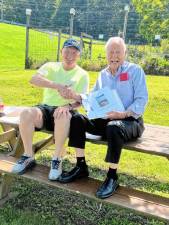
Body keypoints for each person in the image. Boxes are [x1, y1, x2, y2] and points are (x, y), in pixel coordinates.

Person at [57, 37, 148, 199]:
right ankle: (81, 166)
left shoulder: (135, 71)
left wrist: (123, 114)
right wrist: (75, 96)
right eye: (110, 52)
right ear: (106, 54)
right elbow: (92, 97)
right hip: (107, 121)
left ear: (124, 53)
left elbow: (142, 100)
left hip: (130, 121)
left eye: (118, 52)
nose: (114, 55)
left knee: (114, 126)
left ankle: (112, 176)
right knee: (77, 119)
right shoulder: (103, 74)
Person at [12, 39, 89, 181]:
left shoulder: (82, 74)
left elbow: (82, 100)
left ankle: (57, 159)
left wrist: (68, 106)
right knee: (26, 113)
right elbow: (34, 79)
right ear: (61, 52)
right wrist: (57, 86)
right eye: (67, 51)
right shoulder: (51, 66)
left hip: (67, 110)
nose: (70, 56)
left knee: (63, 114)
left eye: (74, 52)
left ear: (79, 56)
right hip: (46, 108)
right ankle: (28, 155)